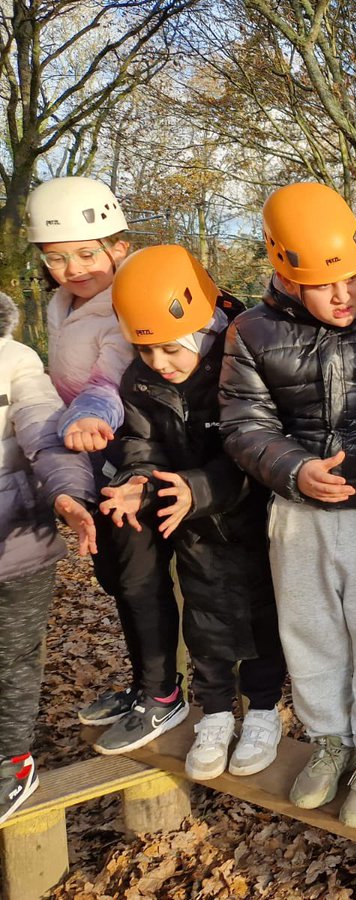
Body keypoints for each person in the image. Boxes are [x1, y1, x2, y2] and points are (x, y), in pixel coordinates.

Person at [220, 183, 356, 829]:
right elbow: (242, 423)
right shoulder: (252, 330)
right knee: (308, 633)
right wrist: (295, 470)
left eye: (353, 277)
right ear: (284, 273)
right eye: (323, 283)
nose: (344, 294)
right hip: (298, 513)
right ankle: (329, 740)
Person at [96, 245, 286, 778]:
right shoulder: (140, 380)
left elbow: (252, 448)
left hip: (248, 517)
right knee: (203, 617)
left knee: (260, 616)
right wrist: (137, 482)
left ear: (200, 330)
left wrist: (198, 489)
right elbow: (141, 445)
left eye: (169, 351)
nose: (159, 363)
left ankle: (265, 710)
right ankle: (217, 712)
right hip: (189, 525)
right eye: (146, 349)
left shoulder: (239, 360)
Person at [24, 176, 145, 727]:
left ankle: (171, 690)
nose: (72, 269)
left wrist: (95, 412)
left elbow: (110, 374)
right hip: (88, 456)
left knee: (148, 580)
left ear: (117, 247)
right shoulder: (61, 304)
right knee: (114, 577)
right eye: (57, 258)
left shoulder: (129, 296)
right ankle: (148, 682)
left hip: (134, 450)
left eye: (86, 254)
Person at [0, 290, 97, 823]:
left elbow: (43, 428)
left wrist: (67, 494)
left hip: (16, 540)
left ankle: (11, 759)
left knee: (12, 657)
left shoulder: (15, 359)